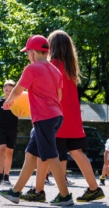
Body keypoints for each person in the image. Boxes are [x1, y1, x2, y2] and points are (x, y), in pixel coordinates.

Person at [18, 30, 105, 203]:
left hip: (54, 117)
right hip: (72, 119)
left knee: (46, 153)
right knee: (78, 152)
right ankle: (94, 188)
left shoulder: (50, 66)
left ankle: (38, 190)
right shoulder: (71, 68)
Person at [0, 35, 73, 205]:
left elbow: (18, 90)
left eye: (27, 53)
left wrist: (9, 102)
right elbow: (59, 96)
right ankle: (15, 192)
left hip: (44, 118)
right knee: (31, 153)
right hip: (56, 116)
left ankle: (65, 195)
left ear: (32, 52)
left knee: (50, 155)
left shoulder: (32, 68)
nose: (28, 56)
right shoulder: (55, 71)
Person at [0, 80, 19, 186]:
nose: (8, 92)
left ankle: (6, 176)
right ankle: (0, 175)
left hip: (12, 130)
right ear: (3, 89)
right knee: (1, 149)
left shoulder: (17, 103)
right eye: (6, 90)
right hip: (1, 129)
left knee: (9, 153)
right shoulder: (0, 102)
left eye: (11, 90)